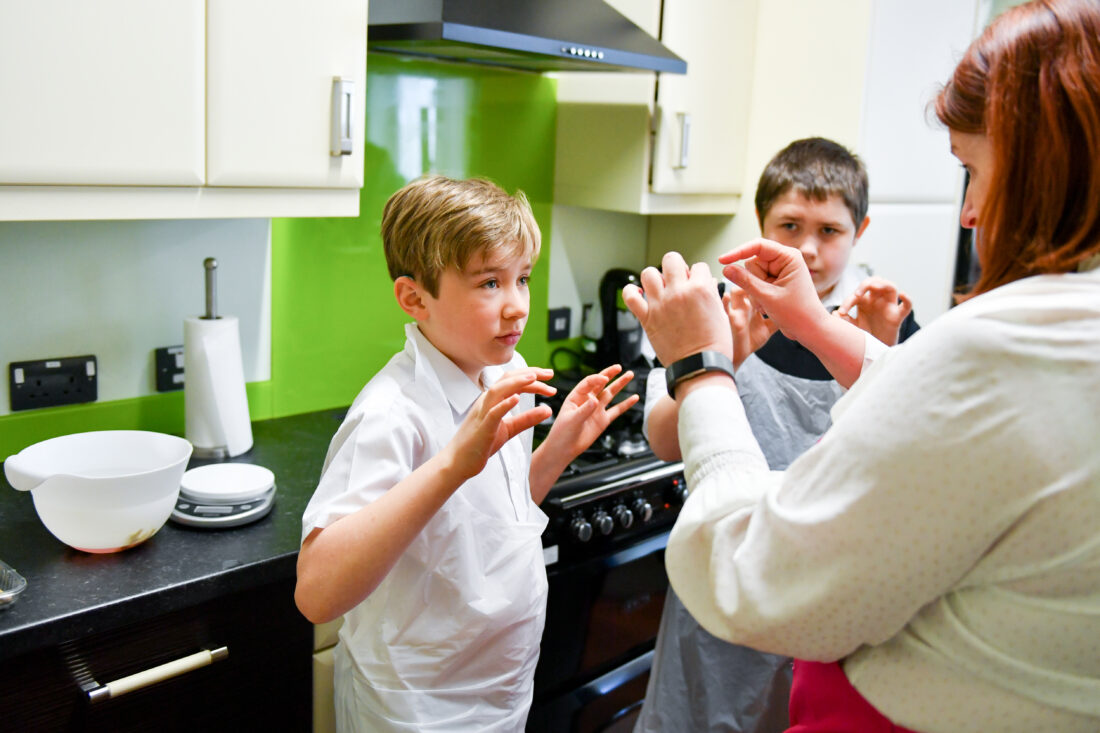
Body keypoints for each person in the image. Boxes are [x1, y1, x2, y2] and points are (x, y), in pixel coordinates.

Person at [622, 1, 1100, 731]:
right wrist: (811, 328)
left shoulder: (1006, 341)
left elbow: (751, 577)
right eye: (790, 225)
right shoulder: (1060, 330)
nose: (969, 212)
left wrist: (700, 365)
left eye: (973, 170)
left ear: (1046, 167)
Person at [294, 175, 639, 733]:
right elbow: (317, 592)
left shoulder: (504, 373)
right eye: (488, 284)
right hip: (418, 708)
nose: (516, 307)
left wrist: (558, 449)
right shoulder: (392, 414)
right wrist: (454, 462)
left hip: (500, 688)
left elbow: (490, 518)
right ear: (414, 297)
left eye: (521, 279)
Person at [635, 138, 918, 733]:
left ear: (860, 230)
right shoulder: (708, 307)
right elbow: (665, 442)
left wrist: (876, 356)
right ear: (760, 222)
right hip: (721, 579)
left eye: (830, 231)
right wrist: (719, 362)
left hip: (827, 596)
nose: (808, 249)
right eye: (789, 225)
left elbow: (904, 465)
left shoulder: (888, 322)